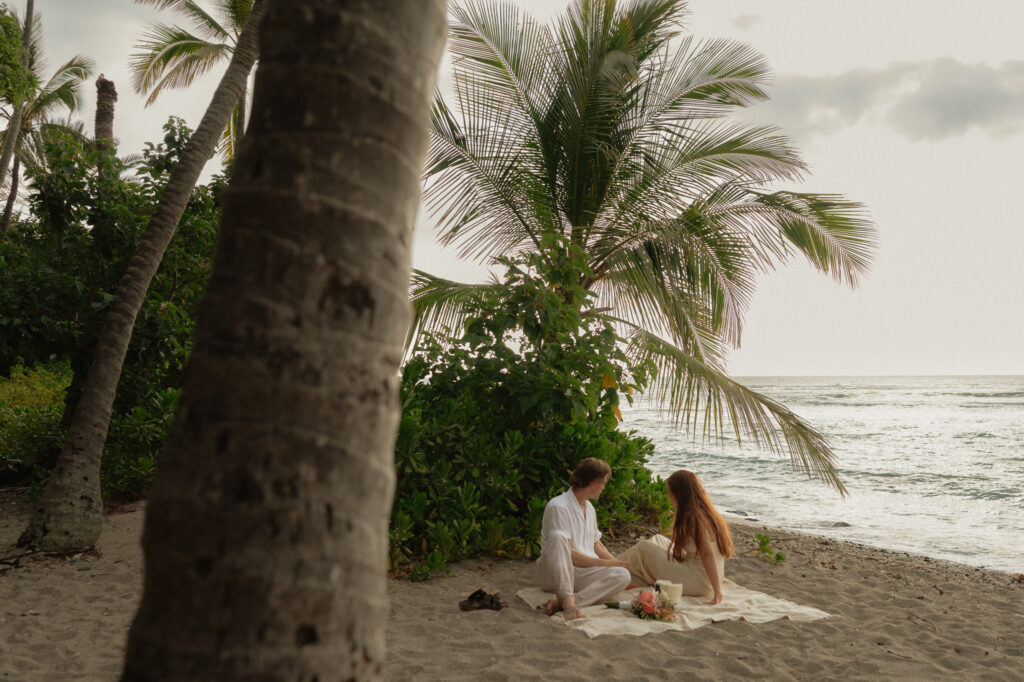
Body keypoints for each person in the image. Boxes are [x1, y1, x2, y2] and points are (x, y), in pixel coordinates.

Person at [616, 469, 734, 605]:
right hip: (712, 576)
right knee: (657, 539)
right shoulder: (705, 509)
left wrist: (717, 593)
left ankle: (612, 566)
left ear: (679, 493)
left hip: (700, 581)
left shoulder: (693, 517)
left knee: (644, 548)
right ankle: (620, 569)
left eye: (669, 492)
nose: (669, 496)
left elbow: (707, 554)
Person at [536, 457, 631, 620]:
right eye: (603, 483)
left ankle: (565, 603)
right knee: (559, 538)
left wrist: (617, 563)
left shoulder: (590, 508)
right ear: (593, 483)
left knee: (623, 575)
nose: (604, 488)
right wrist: (604, 563)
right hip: (555, 573)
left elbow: (595, 544)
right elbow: (567, 554)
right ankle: (567, 599)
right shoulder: (558, 506)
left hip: (581, 573)